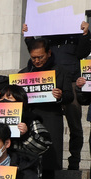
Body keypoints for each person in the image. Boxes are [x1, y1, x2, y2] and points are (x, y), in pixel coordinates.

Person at [24, 21, 91, 170]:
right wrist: (28, 35)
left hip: (71, 81)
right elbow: (35, 50)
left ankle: (74, 161)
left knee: (75, 125)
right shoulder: (48, 36)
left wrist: (85, 34)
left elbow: (83, 52)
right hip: (45, 83)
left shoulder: (76, 35)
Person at [19, 38, 73, 179]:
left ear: (49, 53)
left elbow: (69, 96)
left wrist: (60, 95)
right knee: (26, 160)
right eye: (34, 57)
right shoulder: (23, 73)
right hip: (28, 119)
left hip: (50, 118)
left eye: (40, 57)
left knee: (48, 161)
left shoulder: (59, 71)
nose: (37, 61)